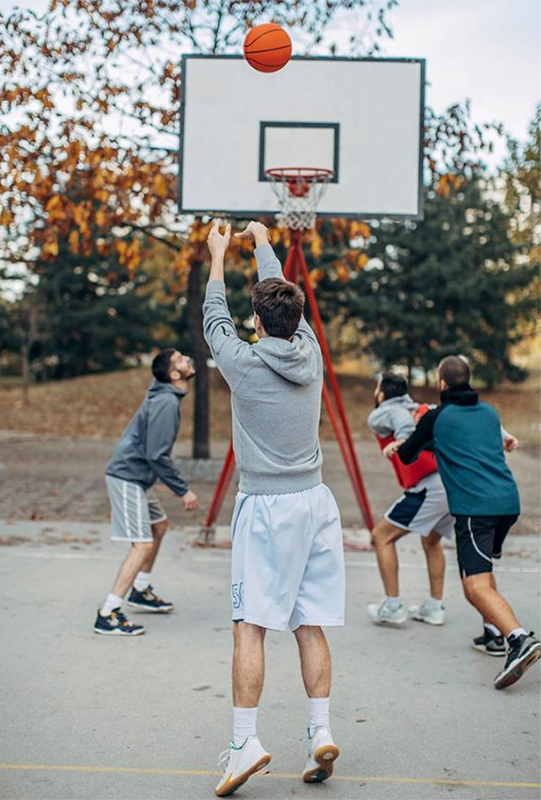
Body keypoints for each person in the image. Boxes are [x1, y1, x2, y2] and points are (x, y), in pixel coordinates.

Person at [204, 220, 345, 796]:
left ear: (257, 324)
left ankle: (244, 743)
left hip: (266, 507)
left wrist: (218, 255)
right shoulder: (308, 348)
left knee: (250, 625)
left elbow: (215, 320)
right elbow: (280, 292)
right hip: (316, 502)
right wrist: (263, 242)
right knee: (307, 622)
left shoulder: (243, 361)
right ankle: (320, 731)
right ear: (297, 318)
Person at [392, 355, 540, 689]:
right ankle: (493, 634)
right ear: (468, 380)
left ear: (442, 384)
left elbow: (407, 455)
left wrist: (413, 442)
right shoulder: (489, 412)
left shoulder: (436, 417)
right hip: (508, 502)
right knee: (481, 573)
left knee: (474, 585)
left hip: (476, 508)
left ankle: (518, 638)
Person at [93, 349, 199, 636]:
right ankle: (109, 612)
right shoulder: (166, 402)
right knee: (142, 544)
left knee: (159, 526)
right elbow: (157, 455)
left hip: (138, 479)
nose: (187, 359)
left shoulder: (165, 395)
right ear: (174, 375)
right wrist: (183, 490)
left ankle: (140, 589)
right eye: (179, 360)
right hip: (128, 476)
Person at [367, 372, 453, 627]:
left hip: (430, 486)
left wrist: (404, 438)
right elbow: (456, 414)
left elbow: (400, 418)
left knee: (381, 537)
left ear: (381, 394)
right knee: (431, 540)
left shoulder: (381, 413)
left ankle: (393, 606)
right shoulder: (425, 408)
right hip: (449, 484)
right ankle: (435, 607)